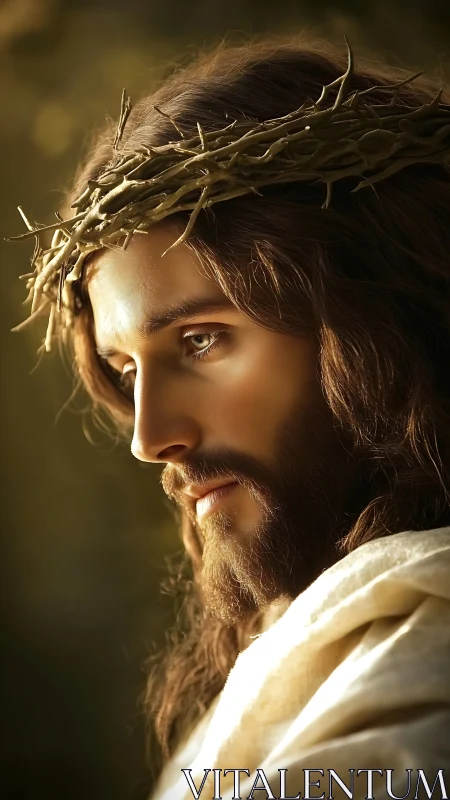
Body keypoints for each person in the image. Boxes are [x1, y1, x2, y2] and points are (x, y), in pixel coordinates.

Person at [13, 34, 450, 799]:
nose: (151, 440)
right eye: (125, 370)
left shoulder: (427, 669)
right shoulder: (284, 656)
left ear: (373, 316)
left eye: (202, 340)